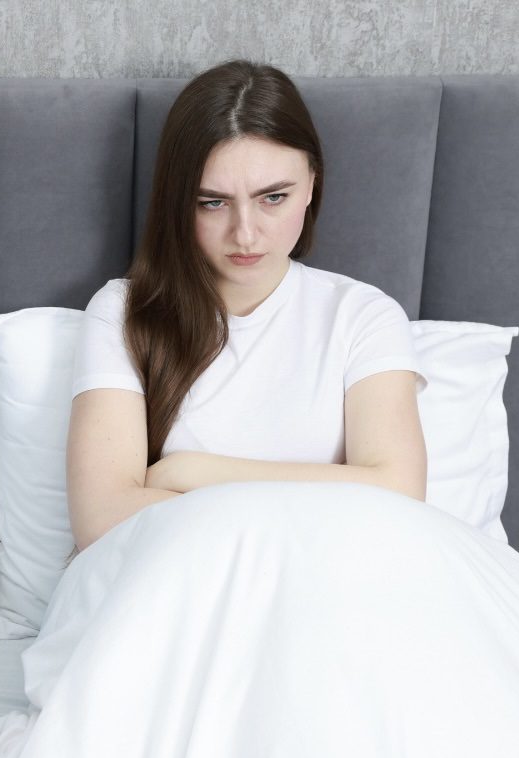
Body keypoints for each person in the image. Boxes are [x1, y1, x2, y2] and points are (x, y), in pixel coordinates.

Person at [66, 59, 428, 552]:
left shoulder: (363, 316)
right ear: (177, 201)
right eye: (212, 202)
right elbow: (101, 519)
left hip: (325, 577)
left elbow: (399, 494)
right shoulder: (124, 312)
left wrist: (192, 471)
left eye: (273, 197)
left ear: (312, 184)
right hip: (174, 578)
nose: (245, 234)